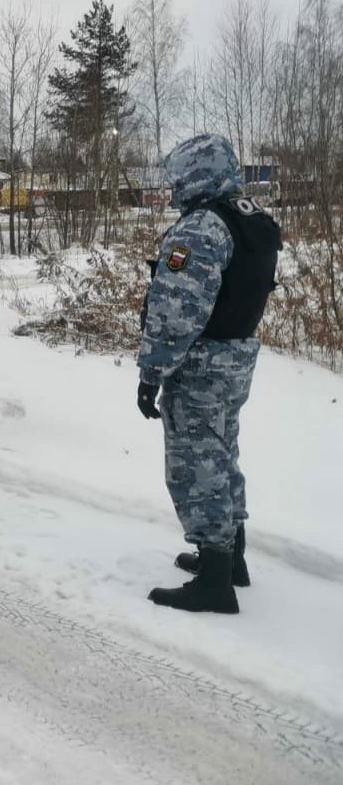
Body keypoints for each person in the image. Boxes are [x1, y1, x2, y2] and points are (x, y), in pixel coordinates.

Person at [137, 134, 281, 614]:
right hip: (236, 360)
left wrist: (151, 372)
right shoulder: (249, 219)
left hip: (199, 366)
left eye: (177, 176)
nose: (173, 186)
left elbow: (176, 312)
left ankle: (215, 581)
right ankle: (230, 557)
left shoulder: (199, 229)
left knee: (195, 467)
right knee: (221, 454)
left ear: (193, 173)